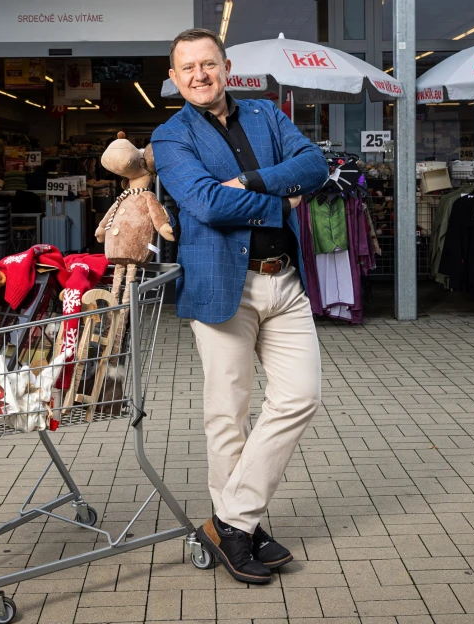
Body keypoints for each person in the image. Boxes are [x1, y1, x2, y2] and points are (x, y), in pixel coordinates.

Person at [151, 28, 328, 585]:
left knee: (300, 397)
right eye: (188, 68)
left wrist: (248, 180)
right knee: (228, 414)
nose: (200, 75)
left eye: (208, 64)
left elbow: (314, 165)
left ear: (226, 67)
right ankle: (243, 530)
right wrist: (280, 201)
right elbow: (205, 202)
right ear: (175, 78)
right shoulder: (170, 135)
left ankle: (230, 521)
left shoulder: (266, 114)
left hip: (286, 282)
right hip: (224, 286)